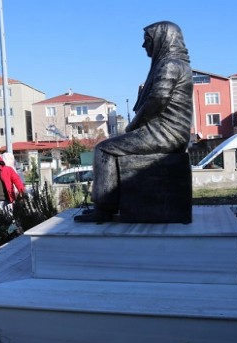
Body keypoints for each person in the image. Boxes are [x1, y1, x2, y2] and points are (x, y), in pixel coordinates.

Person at [75, 21, 193, 222]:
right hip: (171, 132)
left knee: (104, 149)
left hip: (166, 133)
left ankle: (104, 209)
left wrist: (133, 126)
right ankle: (113, 205)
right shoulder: (176, 64)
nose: (143, 45)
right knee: (109, 147)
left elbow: (158, 100)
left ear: (161, 40)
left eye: (147, 40)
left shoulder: (170, 65)